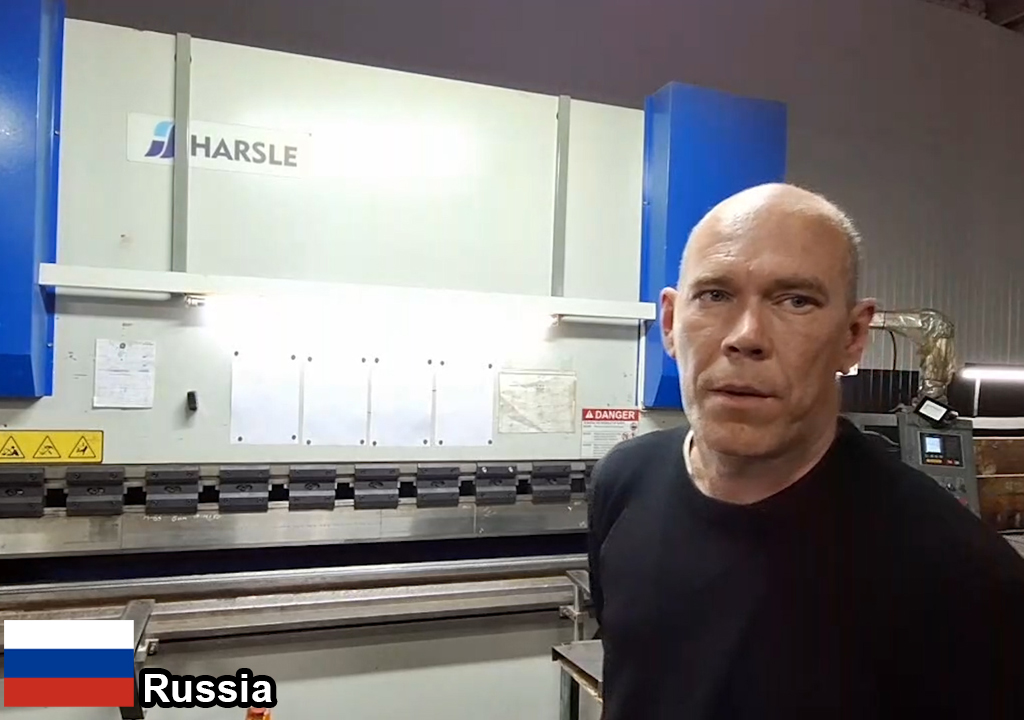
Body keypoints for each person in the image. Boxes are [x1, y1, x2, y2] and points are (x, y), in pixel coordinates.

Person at [587, 183, 1024, 719]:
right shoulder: (624, 482)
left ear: (853, 336)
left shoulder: (962, 576)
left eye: (796, 300)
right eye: (716, 295)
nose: (746, 336)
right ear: (671, 323)